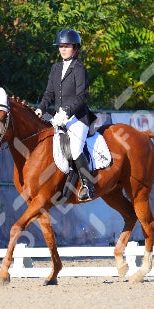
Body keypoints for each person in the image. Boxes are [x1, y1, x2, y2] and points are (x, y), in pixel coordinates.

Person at [34, 28, 97, 202]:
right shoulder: (56, 68)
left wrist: (67, 112)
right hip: (59, 119)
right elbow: (49, 93)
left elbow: (81, 96)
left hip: (78, 118)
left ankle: (87, 186)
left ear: (75, 48)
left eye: (67, 46)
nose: (62, 49)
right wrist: (41, 108)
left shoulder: (79, 68)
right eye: (60, 46)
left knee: (75, 149)